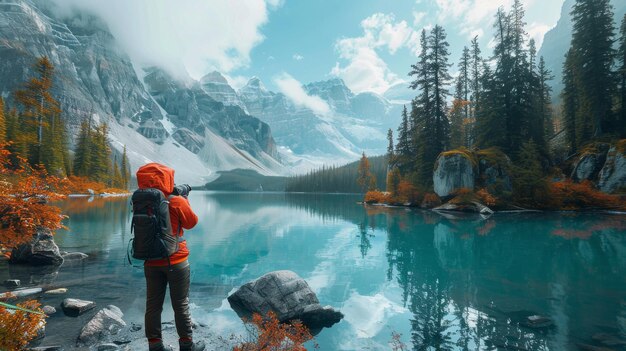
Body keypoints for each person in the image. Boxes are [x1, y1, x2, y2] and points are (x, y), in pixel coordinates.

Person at [135, 163, 205, 351]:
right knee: (180, 304)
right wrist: (184, 199)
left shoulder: (142, 202)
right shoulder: (176, 201)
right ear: (167, 179)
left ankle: (155, 346)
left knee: (153, 304)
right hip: (176, 260)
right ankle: (187, 345)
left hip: (150, 261)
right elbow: (192, 223)